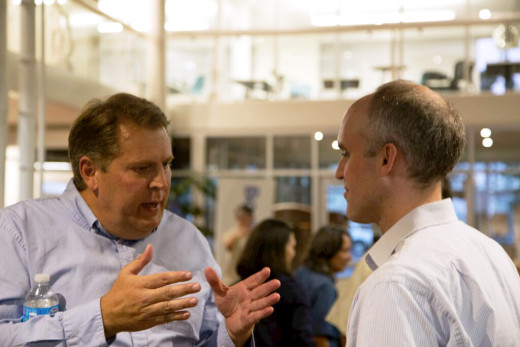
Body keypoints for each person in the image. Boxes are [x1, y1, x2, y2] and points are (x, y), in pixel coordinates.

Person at [0, 93, 280, 346]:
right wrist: (104, 317)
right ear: (90, 172)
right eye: (142, 168)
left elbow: (206, 339)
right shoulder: (20, 233)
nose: (161, 182)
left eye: (166, 165)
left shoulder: (188, 240)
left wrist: (231, 335)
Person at [335, 79, 520, 346]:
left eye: (346, 153)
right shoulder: (491, 254)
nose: (339, 171)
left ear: (387, 158)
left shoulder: (397, 285)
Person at [236, 219, 315, 346]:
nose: (293, 253)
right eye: (292, 246)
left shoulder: (236, 289)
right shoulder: (292, 290)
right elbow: (302, 339)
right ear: (279, 251)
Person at [295, 225, 352, 347]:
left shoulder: (299, 273)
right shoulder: (325, 287)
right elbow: (320, 337)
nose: (349, 257)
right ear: (328, 251)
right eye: (344, 251)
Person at [222, 204, 254, 285]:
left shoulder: (254, 234)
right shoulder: (231, 232)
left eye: (246, 217)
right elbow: (227, 245)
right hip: (231, 277)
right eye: (241, 218)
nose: (244, 220)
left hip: (248, 276)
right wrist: (240, 233)